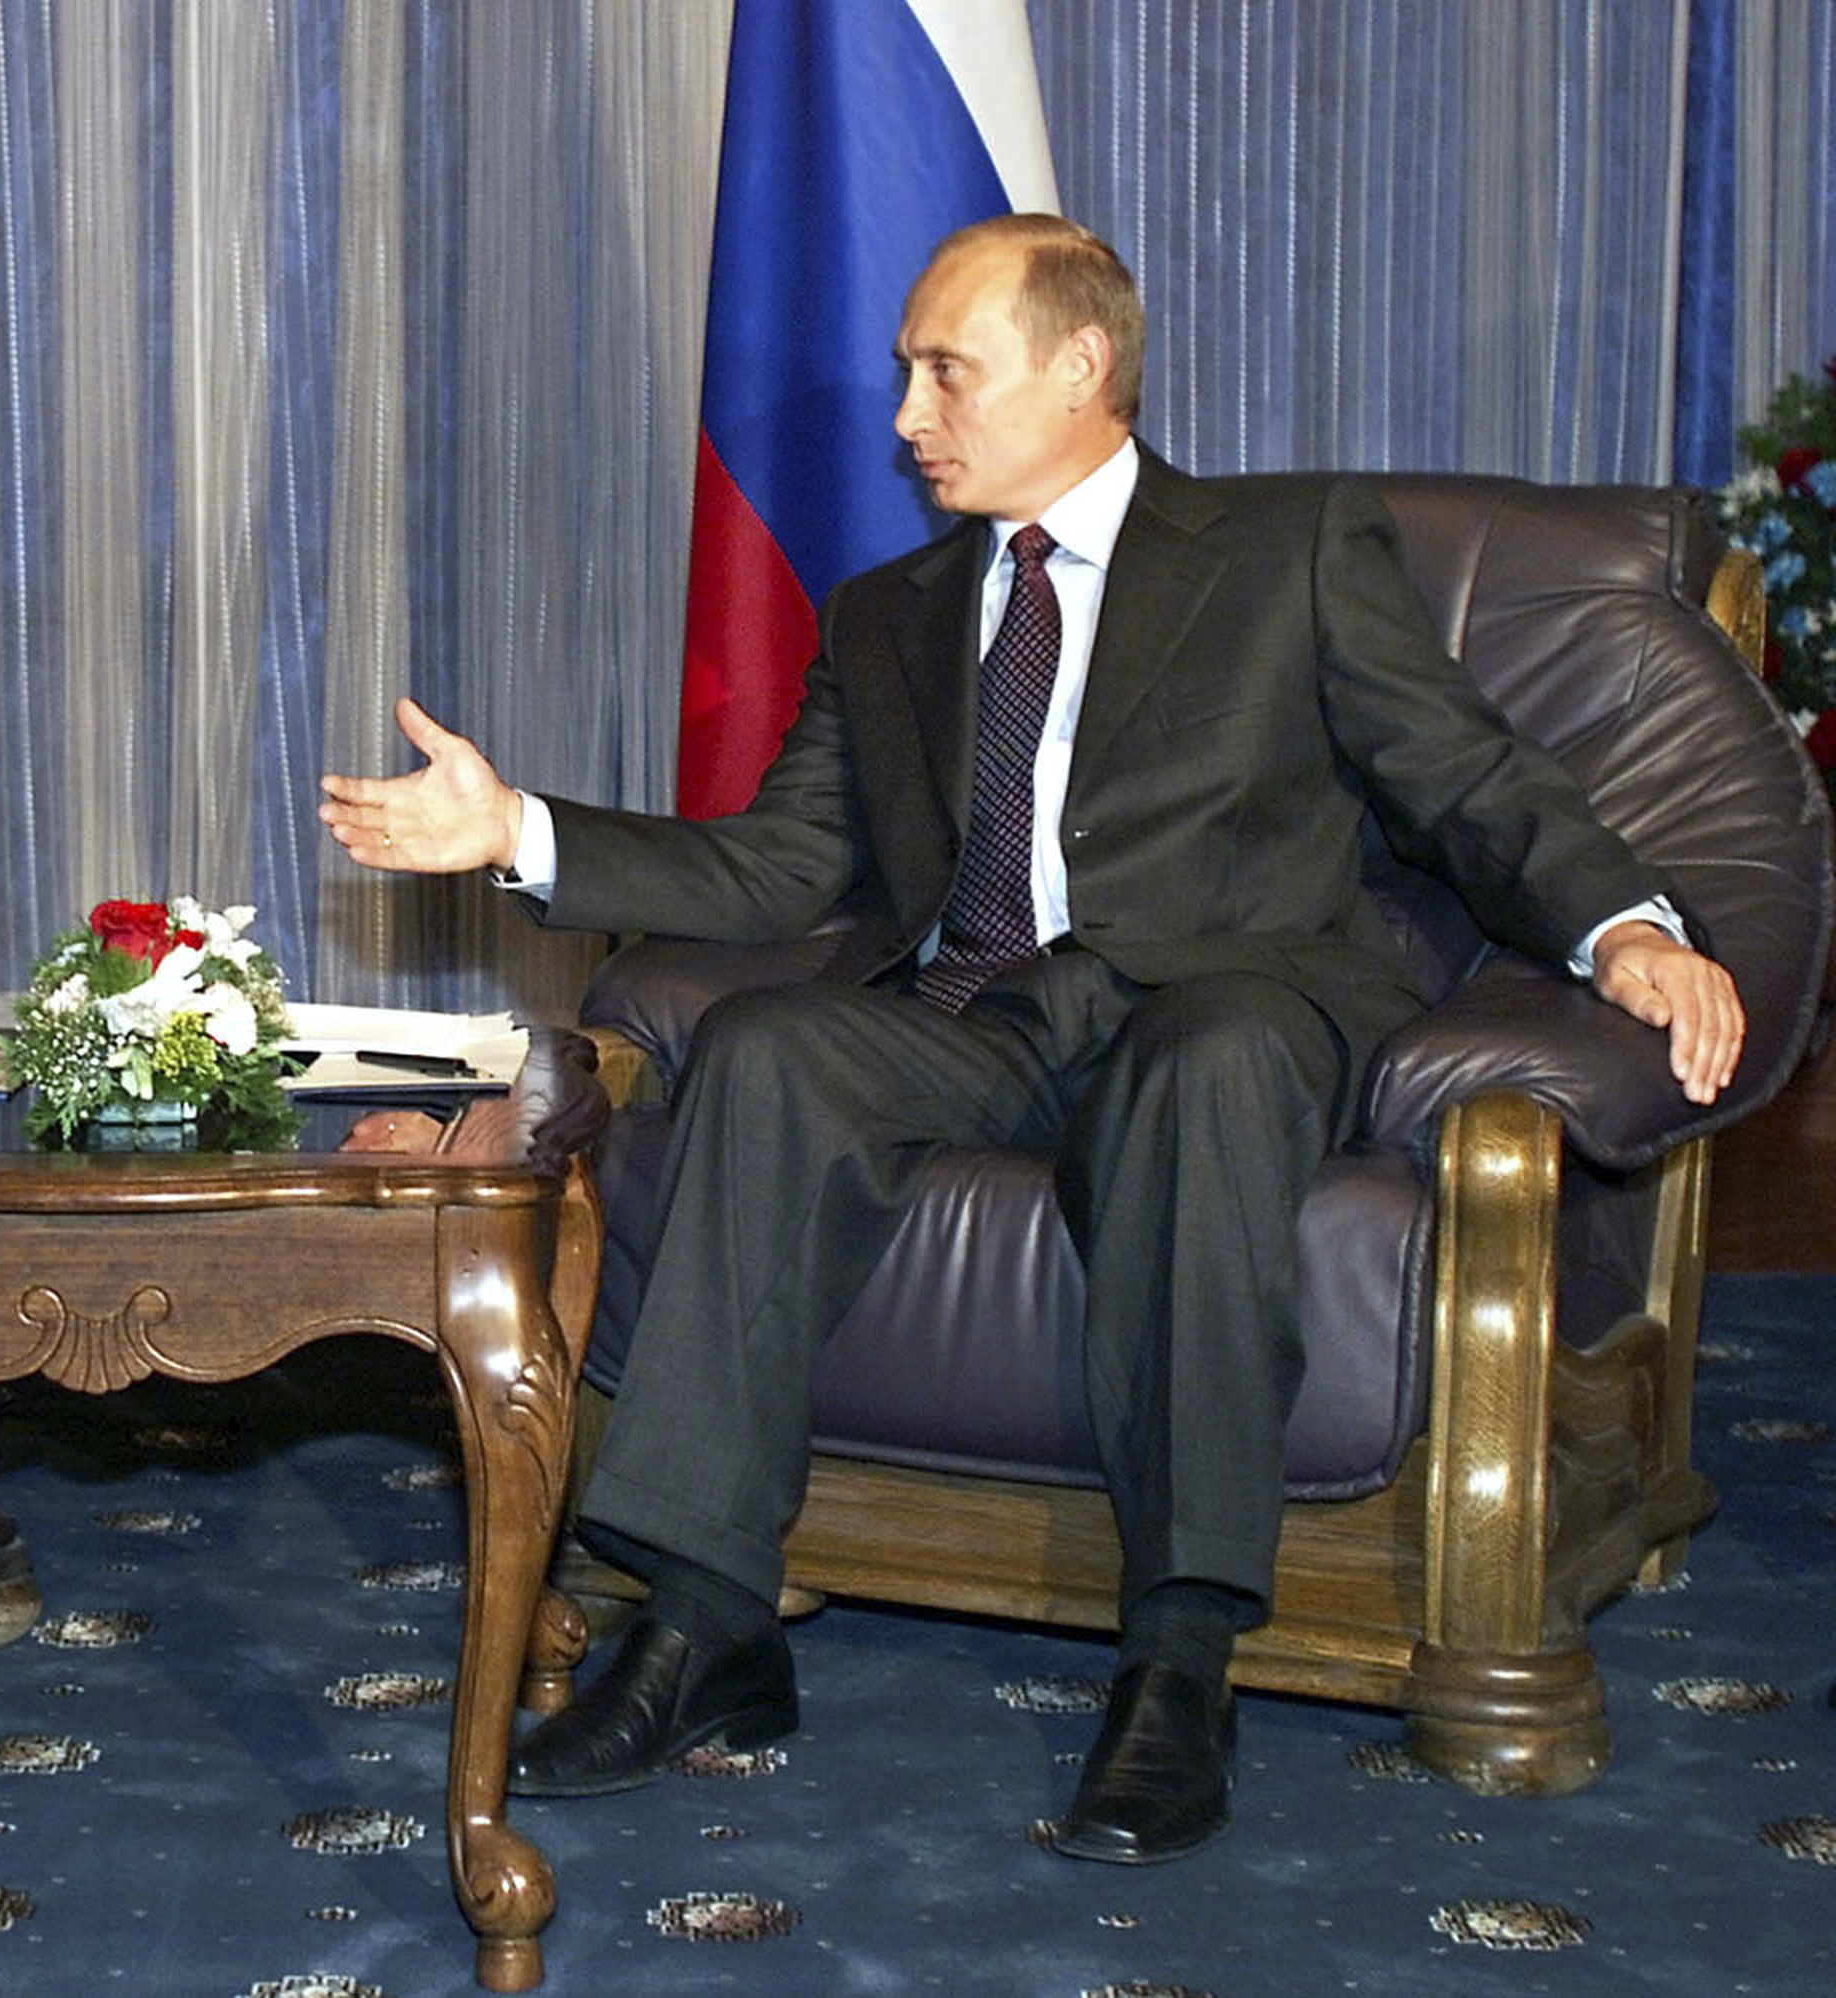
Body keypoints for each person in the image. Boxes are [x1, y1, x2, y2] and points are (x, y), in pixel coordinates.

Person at [318, 214, 1743, 1863]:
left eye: (947, 372)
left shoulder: (1286, 551)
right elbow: (781, 866)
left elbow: (1467, 776)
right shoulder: (890, 613)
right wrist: (520, 831)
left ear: (1082, 365)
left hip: (1224, 997)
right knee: (769, 1050)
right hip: (986, 1013)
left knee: (1206, 1066)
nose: (907, 416)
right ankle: (706, 1622)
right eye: (906, 374)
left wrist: (1625, 928)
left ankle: (1180, 1658)